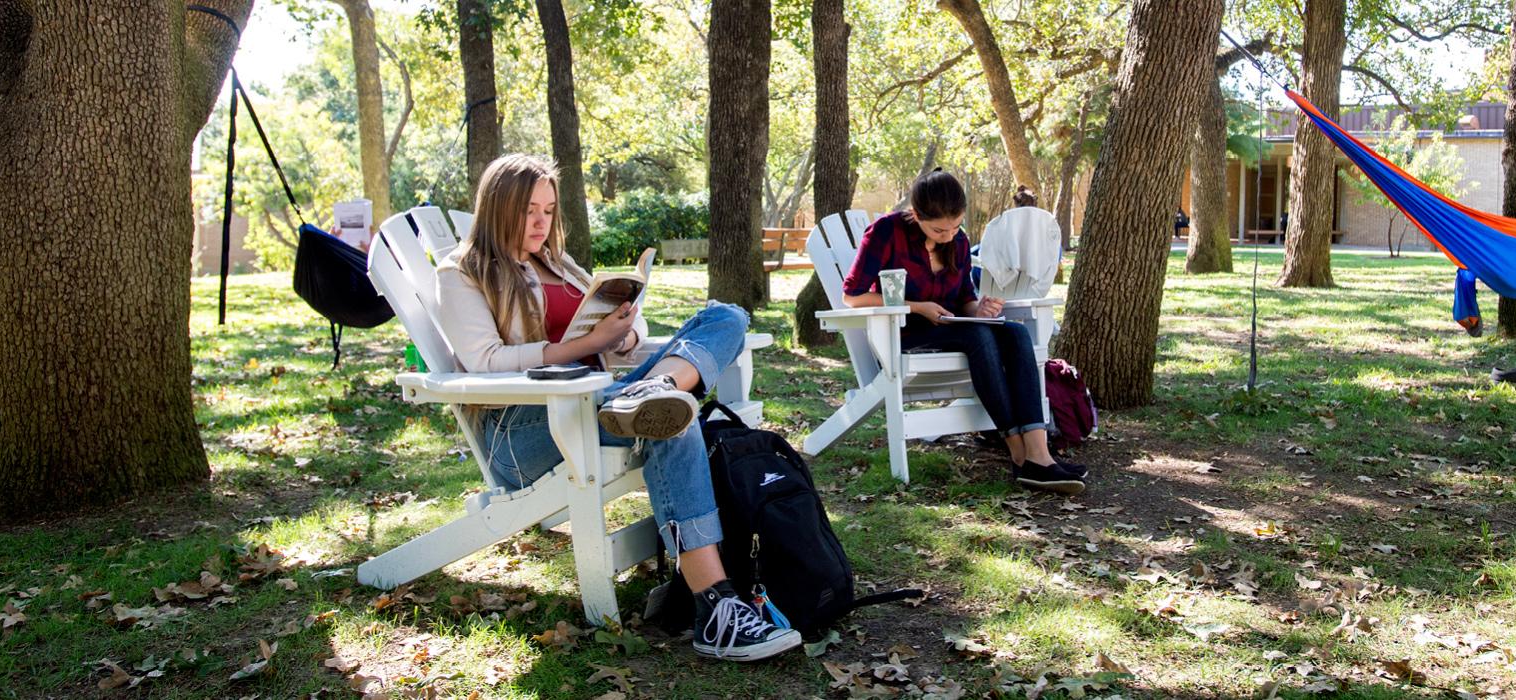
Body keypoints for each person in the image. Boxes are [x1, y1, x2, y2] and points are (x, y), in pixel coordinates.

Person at [434, 155, 800, 662]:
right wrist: (581, 347)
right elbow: (484, 362)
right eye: (528, 211)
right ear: (498, 209)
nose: (541, 222)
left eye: (548, 209)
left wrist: (625, 332)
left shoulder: (555, 262)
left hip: (598, 398)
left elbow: (623, 332)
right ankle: (714, 606)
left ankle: (655, 391)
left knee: (726, 316)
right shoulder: (461, 273)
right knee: (674, 420)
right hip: (525, 425)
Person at [840, 169, 1088, 495]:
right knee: (978, 336)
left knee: (1014, 333)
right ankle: (1018, 451)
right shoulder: (887, 232)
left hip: (953, 329)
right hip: (902, 336)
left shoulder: (958, 242)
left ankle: (1039, 455)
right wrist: (917, 306)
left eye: (956, 226)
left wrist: (980, 310)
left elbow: (965, 302)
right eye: (939, 229)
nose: (949, 235)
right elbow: (852, 296)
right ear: (916, 216)